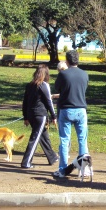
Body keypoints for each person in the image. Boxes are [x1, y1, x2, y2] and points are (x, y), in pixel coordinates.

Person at [53, 50, 89, 178]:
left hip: (66, 109)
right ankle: (84, 169)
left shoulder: (63, 74)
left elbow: (57, 88)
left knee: (64, 140)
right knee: (82, 140)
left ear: (67, 61)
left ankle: (62, 170)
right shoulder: (85, 74)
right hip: (81, 109)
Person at [20, 64, 58, 168]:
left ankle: (52, 157)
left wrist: (26, 117)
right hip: (40, 116)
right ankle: (26, 162)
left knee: (43, 136)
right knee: (35, 138)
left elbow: (25, 102)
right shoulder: (44, 85)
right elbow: (49, 102)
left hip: (31, 115)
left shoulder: (29, 85)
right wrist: (54, 116)